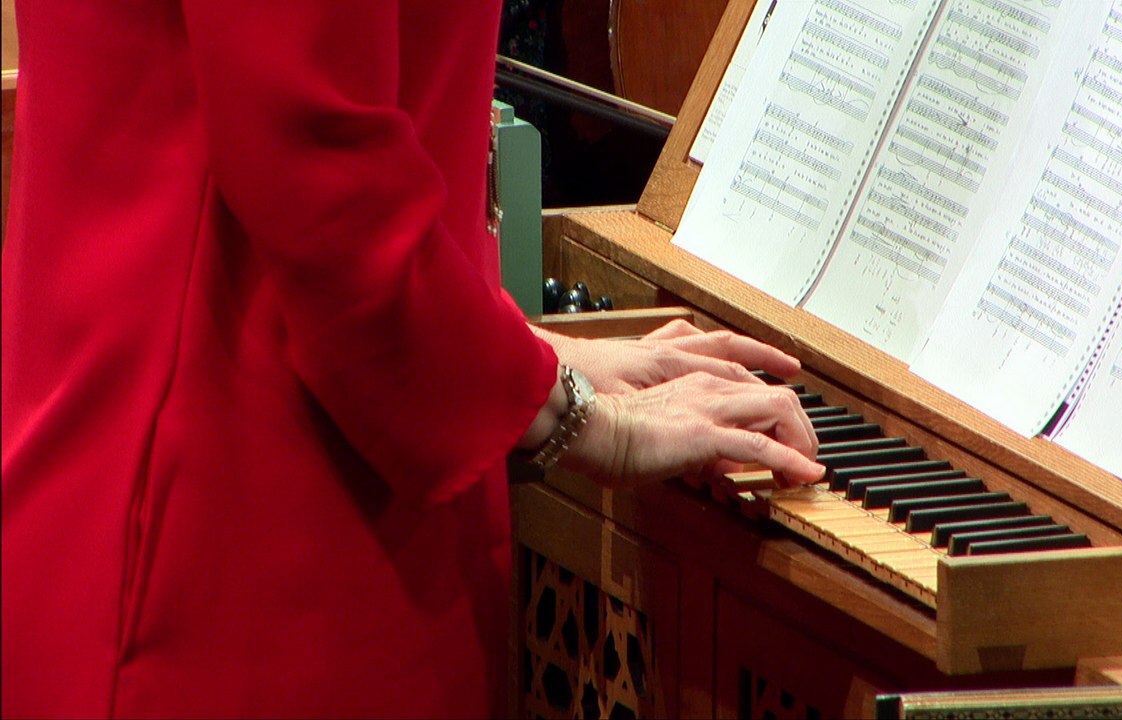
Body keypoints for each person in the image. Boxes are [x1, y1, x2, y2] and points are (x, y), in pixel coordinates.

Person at [0, 3, 824, 718]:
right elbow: (312, 150)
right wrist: (574, 414)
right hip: (234, 547)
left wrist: (513, 352)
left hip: (238, 472)